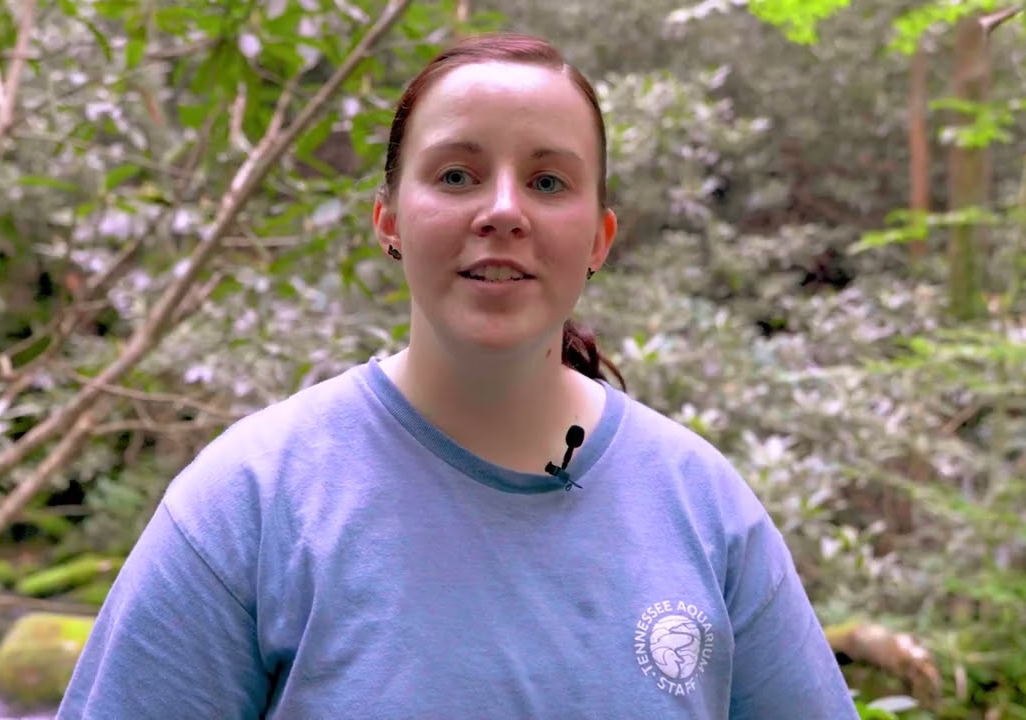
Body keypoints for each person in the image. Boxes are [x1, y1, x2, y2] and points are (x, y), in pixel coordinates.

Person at [57, 31, 859, 719]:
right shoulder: (252, 502)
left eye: (548, 182)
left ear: (598, 238)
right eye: (456, 175)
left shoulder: (702, 508)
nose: (503, 210)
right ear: (389, 221)